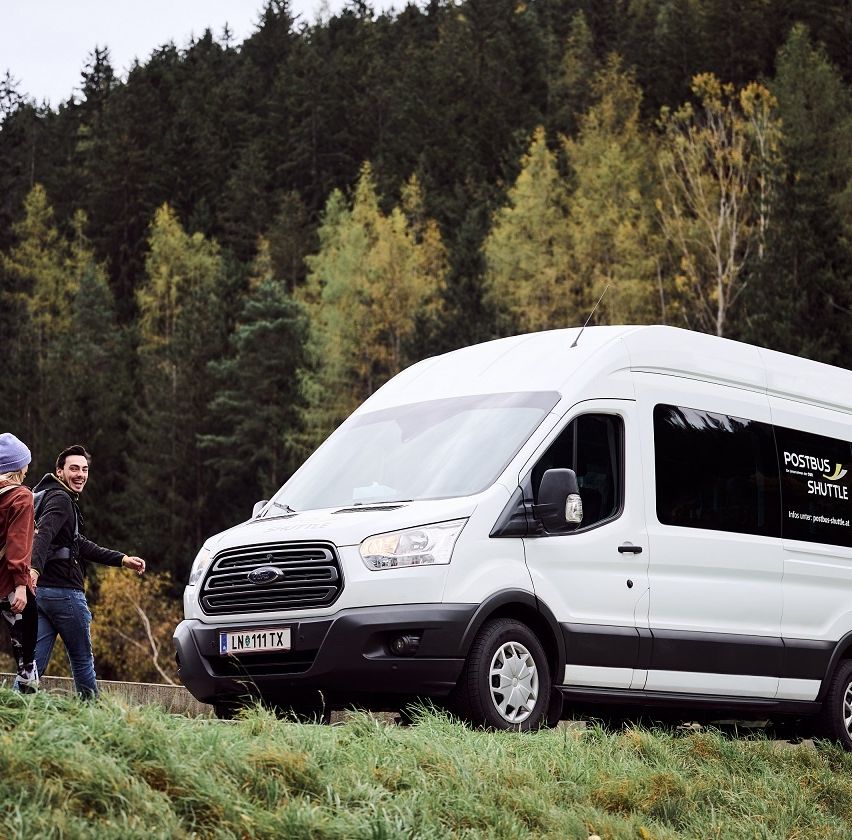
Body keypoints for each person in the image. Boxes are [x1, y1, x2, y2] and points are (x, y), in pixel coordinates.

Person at [29, 444, 145, 698]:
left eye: (84, 469)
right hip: (65, 593)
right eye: (74, 469)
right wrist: (33, 570)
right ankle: (91, 712)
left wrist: (122, 559)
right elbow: (44, 534)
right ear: (60, 472)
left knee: (33, 663)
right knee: (82, 660)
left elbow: (78, 544)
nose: (80, 474)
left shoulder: (47, 496)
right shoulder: (61, 499)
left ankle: (16, 706)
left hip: (42, 596)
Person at [0, 433, 39, 690]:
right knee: (26, 659)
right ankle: (28, 699)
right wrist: (21, 586)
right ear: (17, 466)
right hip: (8, 583)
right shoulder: (21, 497)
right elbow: (18, 543)